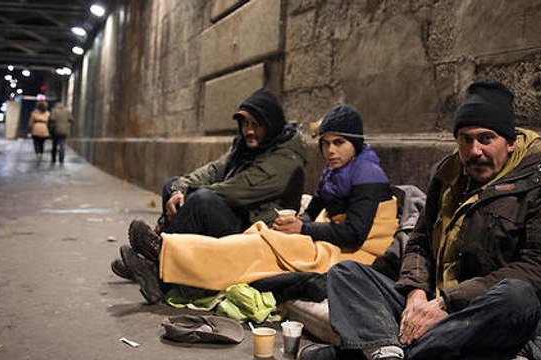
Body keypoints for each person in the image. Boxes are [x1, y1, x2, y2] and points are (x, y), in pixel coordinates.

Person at [300, 80, 541, 360]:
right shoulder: (449, 175)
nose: (475, 151)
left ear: (509, 142)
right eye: (465, 140)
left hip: (482, 311)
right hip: (433, 302)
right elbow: (420, 242)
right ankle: (390, 351)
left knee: (517, 297)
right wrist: (416, 294)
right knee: (346, 273)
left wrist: (448, 302)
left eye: (485, 139)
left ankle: (388, 352)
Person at [119, 104, 399, 304]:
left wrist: (303, 229)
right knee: (259, 240)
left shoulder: (367, 173)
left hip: (354, 251)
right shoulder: (334, 170)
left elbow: (355, 234)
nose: (330, 150)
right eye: (325, 143)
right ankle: (161, 261)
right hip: (327, 237)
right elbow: (314, 208)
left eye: (339, 143)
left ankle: (161, 256)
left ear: (355, 143)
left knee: (256, 247)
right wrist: (296, 223)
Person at [111, 88, 307, 280]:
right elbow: (213, 171)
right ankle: (155, 261)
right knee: (172, 186)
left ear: (270, 126)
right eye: (245, 124)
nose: (249, 131)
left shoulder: (286, 159)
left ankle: (158, 263)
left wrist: (189, 194)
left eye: (256, 125)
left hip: (254, 235)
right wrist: (180, 189)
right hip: (239, 216)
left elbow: (237, 190)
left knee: (202, 201)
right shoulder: (244, 148)